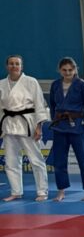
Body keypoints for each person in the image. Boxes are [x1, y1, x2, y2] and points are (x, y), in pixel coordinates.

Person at [1, 55, 49, 202]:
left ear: (21, 66)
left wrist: (39, 126)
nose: (14, 66)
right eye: (11, 64)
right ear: (7, 66)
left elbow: (39, 104)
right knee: (11, 161)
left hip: (27, 124)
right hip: (8, 125)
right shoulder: (1, 84)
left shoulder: (31, 82)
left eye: (17, 64)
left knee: (36, 159)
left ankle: (42, 191)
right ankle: (16, 191)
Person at [48, 57, 84, 201]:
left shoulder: (83, 85)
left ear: (75, 70)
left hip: (77, 126)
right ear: (60, 70)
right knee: (59, 161)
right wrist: (54, 119)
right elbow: (52, 104)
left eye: (70, 70)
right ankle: (61, 191)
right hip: (60, 127)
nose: (68, 73)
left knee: (83, 160)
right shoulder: (55, 85)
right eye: (64, 70)